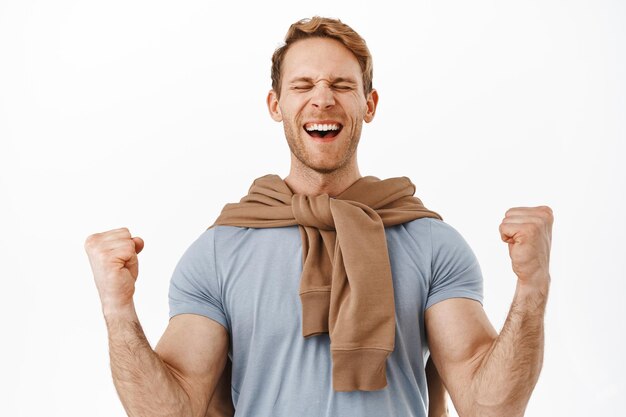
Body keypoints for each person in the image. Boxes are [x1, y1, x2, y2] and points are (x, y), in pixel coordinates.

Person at [85, 16, 553, 417]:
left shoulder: (431, 243)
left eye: (342, 85)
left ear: (368, 105)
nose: (323, 98)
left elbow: (488, 406)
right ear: (277, 105)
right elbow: (174, 408)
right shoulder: (218, 251)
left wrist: (532, 288)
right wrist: (118, 310)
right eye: (303, 85)